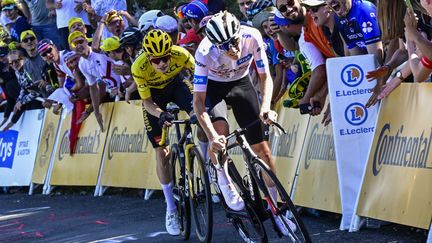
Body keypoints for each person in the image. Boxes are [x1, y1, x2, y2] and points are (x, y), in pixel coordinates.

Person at [192, 11, 294, 235]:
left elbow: (265, 77)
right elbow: (198, 102)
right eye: (225, 46)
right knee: (221, 132)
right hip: (213, 89)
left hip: (241, 83)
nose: (234, 49)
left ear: (240, 33)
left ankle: (276, 209)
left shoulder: (253, 35)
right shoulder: (204, 51)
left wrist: (266, 107)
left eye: (235, 41)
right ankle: (222, 176)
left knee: (263, 151)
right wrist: (212, 136)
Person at [131, 29, 195, 236]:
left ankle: (210, 165)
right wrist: (160, 115)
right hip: (154, 98)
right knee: (161, 152)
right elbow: (147, 102)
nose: (162, 64)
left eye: (165, 57)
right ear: (149, 57)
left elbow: (200, 79)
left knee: (201, 113)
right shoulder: (139, 67)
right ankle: (170, 208)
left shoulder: (182, 54)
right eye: (157, 60)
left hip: (176, 86)